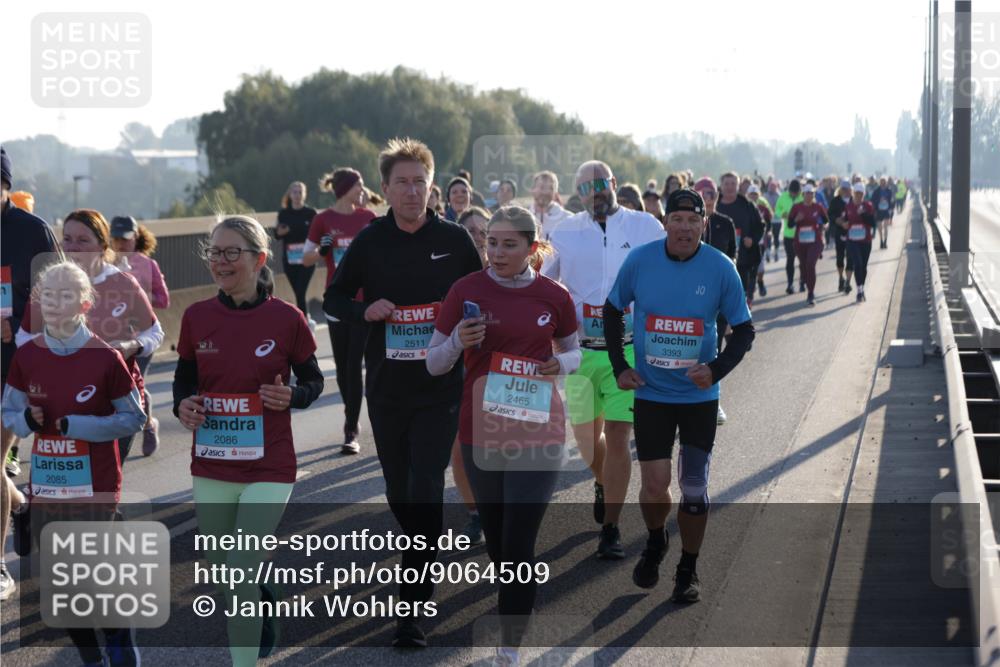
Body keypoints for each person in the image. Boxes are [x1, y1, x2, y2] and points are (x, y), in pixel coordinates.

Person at [322, 138, 482, 647]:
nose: (412, 192)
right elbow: (333, 297)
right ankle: (420, 549)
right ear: (385, 190)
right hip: (388, 388)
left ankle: (411, 608)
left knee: (425, 489)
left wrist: (467, 329)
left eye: (420, 182)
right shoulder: (370, 241)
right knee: (399, 493)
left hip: (441, 388)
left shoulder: (455, 240)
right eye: (402, 183)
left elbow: (481, 296)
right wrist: (362, 311)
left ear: (431, 186)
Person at [427, 206, 579, 665]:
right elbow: (434, 362)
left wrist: (560, 364)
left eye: (509, 244)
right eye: (491, 242)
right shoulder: (465, 290)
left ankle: (509, 644)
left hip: (539, 433)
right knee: (497, 541)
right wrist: (457, 340)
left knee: (517, 543)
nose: (496, 253)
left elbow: (575, 353)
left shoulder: (554, 296)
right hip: (482, 433)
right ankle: (515, 597)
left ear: (533, 249)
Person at [173, 215, 323, 666]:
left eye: (231, 252)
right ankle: (263, 599)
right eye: (214, 252)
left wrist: (292, 395)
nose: (220, 261)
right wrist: (184, 406)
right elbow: (184, 383)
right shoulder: (196, 317)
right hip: (213, 464)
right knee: (228, 573)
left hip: (269, 466)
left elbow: (313, 382)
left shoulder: (287, 318)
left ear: (259, 259)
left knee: (239, 572)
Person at [603, 187, 754, 603]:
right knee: (654, 485)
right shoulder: (640, 261)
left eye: (693, 221)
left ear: (704, 225)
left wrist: (716, 369)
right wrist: (620, 366)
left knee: (691, 486)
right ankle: (656, 540)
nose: (685, 228)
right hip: (652, 393)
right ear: (665, 223)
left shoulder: (721, 268)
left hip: (698, 400)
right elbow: (612, 309)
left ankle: (688, 568)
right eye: (677, 220)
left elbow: (744, 330)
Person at [2, 260, 145, 665]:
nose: (53, 302)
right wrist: (27, 420)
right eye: (47, 294)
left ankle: (120, 641)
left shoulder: (104, 357)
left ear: (84, 304)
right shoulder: (27, 356)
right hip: (48, 486)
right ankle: (92, 659)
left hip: (96, 487)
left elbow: (132, 417)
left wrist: (78, 425)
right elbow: (9, 413)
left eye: (65, 295)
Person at [542, 160, 665, 560]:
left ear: (612, 183)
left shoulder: (645, 227)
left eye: (599, 184)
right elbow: (543, 284)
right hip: (580, 353)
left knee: (617, 437)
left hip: (628, 352)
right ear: (577, 194)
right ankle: (603, 483)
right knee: (584, 440)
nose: (593, 192)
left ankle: (610, 527)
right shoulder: (565, 232)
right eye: (584, 188)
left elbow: (668, 269)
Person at [18, 210, 163, 467]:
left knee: (105, 479)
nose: (73, 247)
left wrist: (132, 346)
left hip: (117, 402)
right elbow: (25, 337)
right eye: (68, 239)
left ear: (102, 245)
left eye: (83, 240)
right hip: (63, 400)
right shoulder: (47, 286)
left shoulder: (123, 283)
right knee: (72, 482)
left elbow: (154, 332)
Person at [0, 146, 61, 601]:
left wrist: (16, 315)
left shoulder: (30, 231)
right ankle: (19, 506)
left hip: (12, 370)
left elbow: (61, 300)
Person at [303, 168, 375, 454]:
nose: (363, 190)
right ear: (345, 188)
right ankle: (350, 413)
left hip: (362, 302)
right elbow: (306, 259)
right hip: (336, 301)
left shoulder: (368, 218)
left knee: (355, 365)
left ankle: (351, 428)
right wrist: (322, 250)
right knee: (344, 369)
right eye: (359, 185)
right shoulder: (323, 220)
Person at [110, 215, 171, 457]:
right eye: (116, 239)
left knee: (135, 384)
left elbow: (164, 300)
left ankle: (148, 425)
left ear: (136, 237)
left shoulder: (148, 265)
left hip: (141, 336)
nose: (121, 243)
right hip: (111, 335)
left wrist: (142, 295)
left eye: (125, 238)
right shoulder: (105, 264)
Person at [715, 172, 765, 308]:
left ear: (738, 186)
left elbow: (760, 226)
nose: (730, 187)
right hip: (719, 260)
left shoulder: (747, 205)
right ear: (721, 186)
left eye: (733, 184)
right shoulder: (715, 206)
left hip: (744, 258)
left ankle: (738, 323)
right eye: (726, 184)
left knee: (740, 295)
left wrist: (753, 239)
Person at [274, 181, 318, 326]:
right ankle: (306, 320)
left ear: (304, 194)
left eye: (300, 192)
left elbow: (317, 234)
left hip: (307, 258)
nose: (297, 195)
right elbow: (277, 234)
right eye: (294, 192)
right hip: (290, 260)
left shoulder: (310, 213)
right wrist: (280, 232)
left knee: (300, 291)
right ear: (290, 194)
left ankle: (303, 325)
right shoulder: (283, 213)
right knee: (299, 293)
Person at [787, 184, 828, 306]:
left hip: (815, 241)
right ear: (803, 195)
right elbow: (789, 225)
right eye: (807, 193)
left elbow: (826, 221)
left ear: (814, 195)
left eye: (811, 193)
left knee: (810, 263)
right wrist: (796, 220)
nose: (809, 195)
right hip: (800, 242)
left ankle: (811, 293)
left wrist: (823, 228)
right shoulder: (796, 207)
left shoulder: (818, 207)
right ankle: (803, 279)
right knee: (804, 265)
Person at [845, 182, 876, 302]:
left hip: (865, 241)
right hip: (852, 241)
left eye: (861, 194)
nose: (858, 196)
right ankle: (859, 290)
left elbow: (872, 223)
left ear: (863, 194)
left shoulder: (868, 205)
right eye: (856, 193)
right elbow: (845, 220)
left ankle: (861, 287)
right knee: (857, 264)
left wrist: (863, 214)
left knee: (863, 266)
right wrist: (843, 223)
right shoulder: (848, 206)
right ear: (853, 193)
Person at [774, 179, 804, 294]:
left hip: (803, 234)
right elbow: (777, 210)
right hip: (788, 234)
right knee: (790, 259)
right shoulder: (783, 197)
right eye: (792, 193)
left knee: (803, 260)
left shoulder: (803, 197)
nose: (794, 195)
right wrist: (782, 214)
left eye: (796, 193)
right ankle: (790, 283)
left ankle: (802, 281)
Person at [827, 180, 855, 294]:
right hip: (839, 232)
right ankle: (840, 278)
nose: (845, 191)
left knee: (850, 257)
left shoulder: (854, 201)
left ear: (850, 190)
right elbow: (830, 214)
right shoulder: (835, 201)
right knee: (840, 257)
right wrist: (837, 220)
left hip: (852, 233)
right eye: (843, 189)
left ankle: (848, 282)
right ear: (840, 189)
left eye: (847, 189)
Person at [528, 171, 571, 239]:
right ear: (532, 190)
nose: (545, 192)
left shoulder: (567, 219)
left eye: (550, 188)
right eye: (541, 187)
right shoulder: (522, 218)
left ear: (555, 192)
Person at [746, 185, 772, 298]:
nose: (753, 196)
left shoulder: (763, 208)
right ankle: (749, 292)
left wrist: (769, 231)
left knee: (760, 269)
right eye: (751, 194)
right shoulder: (744, 208)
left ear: (758, 195)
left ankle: (760, 282)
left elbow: (768, 222)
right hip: (748, 243)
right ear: (748, 195)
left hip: (761, 242)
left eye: (755, 194)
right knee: (750, 269)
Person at [871, 177, 894, 249]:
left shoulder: (889, 191)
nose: (883, 183)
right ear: (880, 182)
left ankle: (885, 241)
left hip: (886, 210)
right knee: (880, 227)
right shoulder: (876, 191)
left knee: (886, 227)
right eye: (881, 181)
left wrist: (891, 209)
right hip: (879, 210)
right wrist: (879, 200)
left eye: (884, 182)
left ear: (886, 182)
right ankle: (881, 240)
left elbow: (892, 201)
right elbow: (873, 200)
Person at [765, 180, 782, 261]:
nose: (772, 188)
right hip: (768, 220)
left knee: (776, 237)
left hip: (777, 220)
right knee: (768, 237)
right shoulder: (765, 195)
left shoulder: (779, 196)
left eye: (774, 186)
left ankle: (776, 252)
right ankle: (768, 252)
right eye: (771, 186)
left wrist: (777, 209)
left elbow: (782, 207)